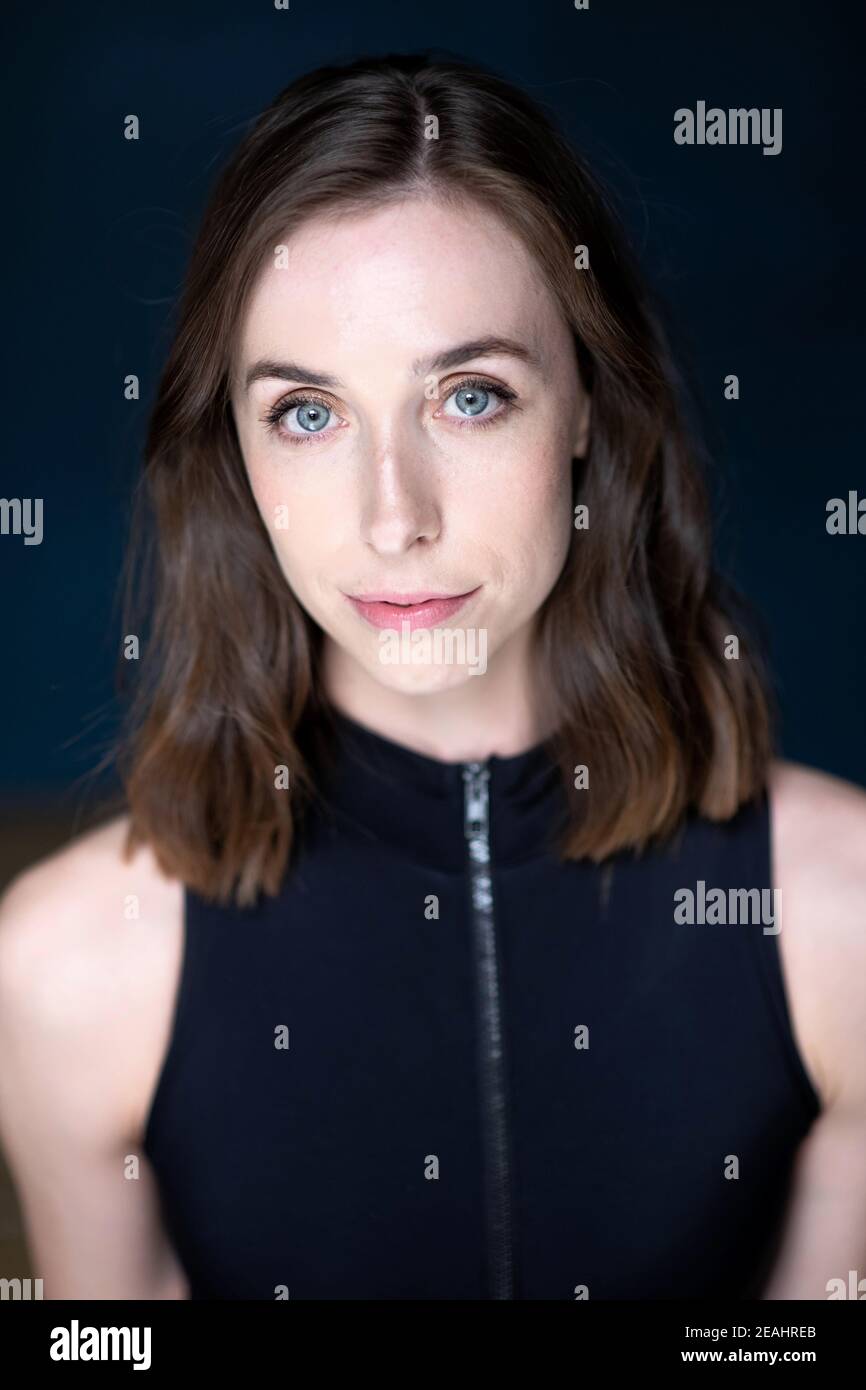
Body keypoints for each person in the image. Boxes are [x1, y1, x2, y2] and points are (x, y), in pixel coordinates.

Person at [0, 52, 864, 1302]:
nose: (390, 516)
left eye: (469, 396)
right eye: (307, 412)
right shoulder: (66, 972)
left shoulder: (839, 923)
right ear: (233, 453)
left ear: (582, 405)